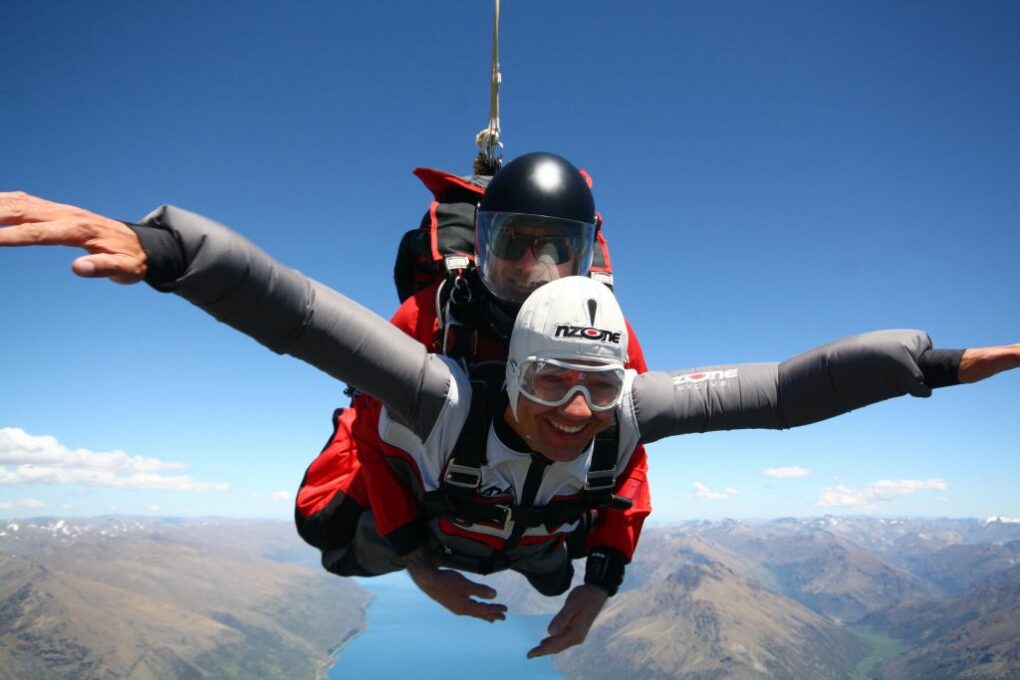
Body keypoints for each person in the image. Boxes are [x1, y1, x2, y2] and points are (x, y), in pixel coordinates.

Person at [2, 191, 1019, 659]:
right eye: (551, 391)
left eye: (597, 388)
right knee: (333, 542)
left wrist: (931, 366)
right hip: (432, 504)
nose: (579, 414)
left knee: (542, 563)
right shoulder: (440, 390)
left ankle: (528, 558)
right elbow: (299, 312)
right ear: (512, 374)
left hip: (524, 521)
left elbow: (786, 390)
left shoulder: (625, 407)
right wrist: (165, 245)